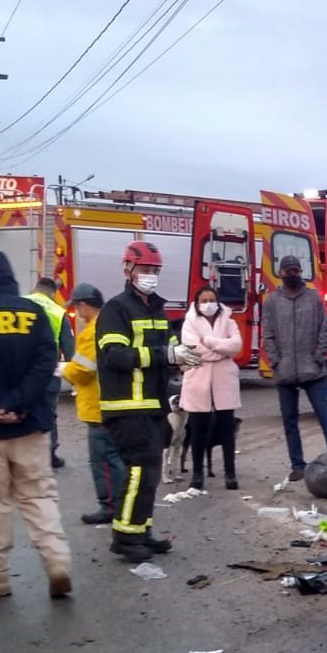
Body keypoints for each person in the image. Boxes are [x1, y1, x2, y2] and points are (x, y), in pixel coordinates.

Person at [0, 250, 73, 600]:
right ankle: (56, 562)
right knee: (38, 496)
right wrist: (19, 401)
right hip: (30, 425)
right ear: (10, 277)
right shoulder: (32, 311)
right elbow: (46, 361)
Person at [97, 241, 199, 563]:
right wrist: (164, 355)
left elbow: (169, 347)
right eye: (145, 270)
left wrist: (180, 357)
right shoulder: (116, 309)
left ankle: (142, 530)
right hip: (126, 405)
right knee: (139, 470)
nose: (151, 276)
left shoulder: (156, 308)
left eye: (155, 270)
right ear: (128, 270)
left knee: (151, 472)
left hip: (152, 404)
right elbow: (115, 356)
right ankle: (124, 537)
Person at [261, 254, 327, 482]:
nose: (292, 274)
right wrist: (276, 361)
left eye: (296, 270)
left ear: (301, 272)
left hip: (314, 371)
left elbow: (324, 329)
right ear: (280, 273)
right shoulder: (272, 302)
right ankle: (297, 464)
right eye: (288, 271)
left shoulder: (313, 298)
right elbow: (268, 335)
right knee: (289, 421)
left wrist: (318, 357)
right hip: (286, 371)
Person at [61, 282, 126, 524]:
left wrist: (64, 370)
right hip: (112, 402)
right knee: (116, 457)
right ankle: (122, 504)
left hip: (97, 407)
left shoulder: (91, 331)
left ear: (83, 305)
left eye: (77, 307)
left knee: (104, 460)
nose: (77, 313)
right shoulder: (111, 323)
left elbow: (83, 370)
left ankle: (110, 506)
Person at [180, 285, 243, 490]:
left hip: (224, 380)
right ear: (197, 304)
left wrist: (208, 341)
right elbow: (192, 351)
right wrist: (221, 349)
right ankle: (197, 475)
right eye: (203, 301)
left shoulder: (230, 321)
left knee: (227, 429)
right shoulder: (189, 324)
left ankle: (230, 474)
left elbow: (237, 345)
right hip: (198, 380)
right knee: (198, 429)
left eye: (211, 299)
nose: (208, 304)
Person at [27, 275, 75, 469]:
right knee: (49, 412)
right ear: (53, 293)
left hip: (22, 371)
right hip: (47, 372)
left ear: (35, 289)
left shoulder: (20, 304)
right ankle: (50, 452)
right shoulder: (58, 311)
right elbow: (70, 350)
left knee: (25, 410)